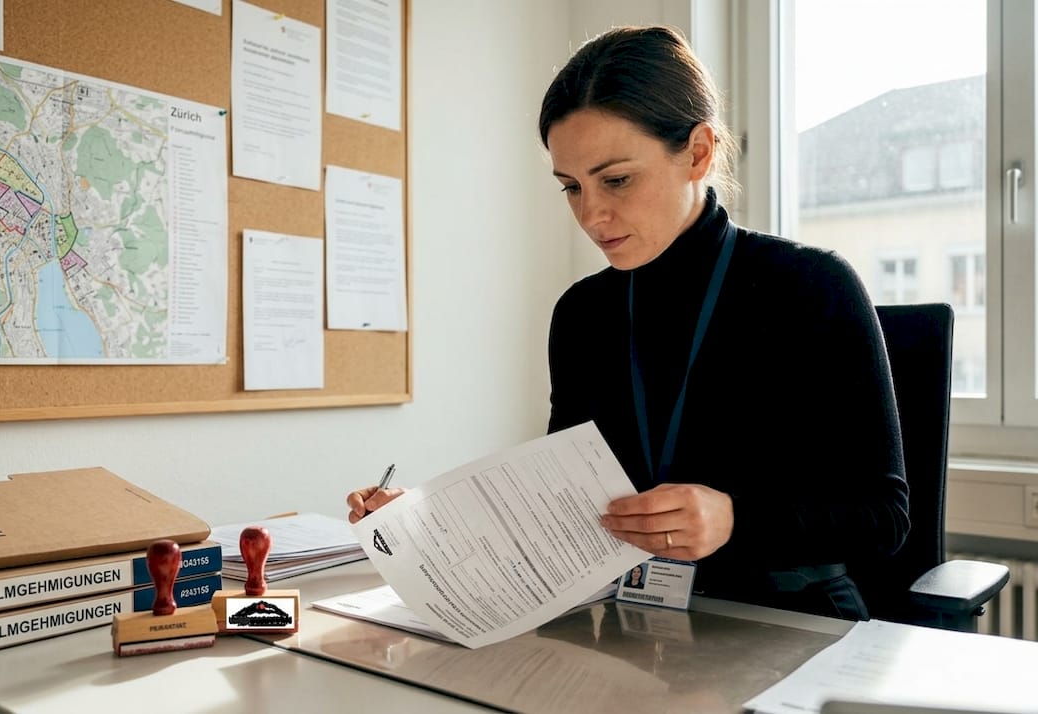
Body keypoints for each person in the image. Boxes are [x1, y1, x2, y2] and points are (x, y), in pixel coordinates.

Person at [348, 25, 909, 621]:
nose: (591, 214)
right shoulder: (583, 314)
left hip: (788, 617)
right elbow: (563, 504)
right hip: (640, 622)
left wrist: (734, 518)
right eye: (571, 187)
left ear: (698, 153)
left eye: (615, 180)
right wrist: (429, 524)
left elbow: (884, 517)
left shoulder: (810, 286)